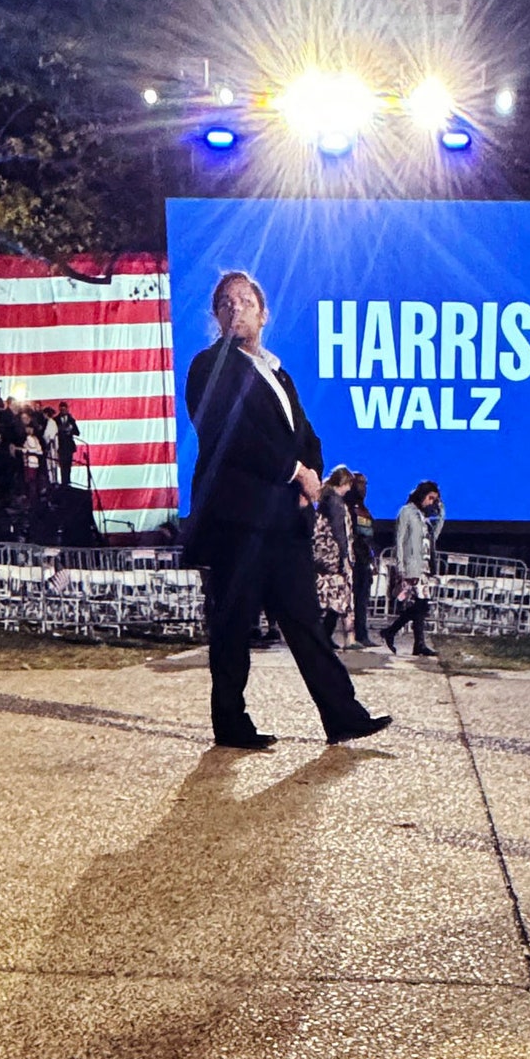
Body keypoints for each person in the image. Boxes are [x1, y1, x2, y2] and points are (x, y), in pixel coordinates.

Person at [183, 270, 390, 751]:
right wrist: (293, 470)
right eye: (225, 304)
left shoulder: (279, 373)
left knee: (304, 621)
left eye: (244, 300)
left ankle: (344, 716)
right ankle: (230, 724)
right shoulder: (208, 366)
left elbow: (308, 438)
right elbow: (228, 435)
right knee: (233, 626)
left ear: (263, 311)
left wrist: (310, 480)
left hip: (283, 521)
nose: (236, 309)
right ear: (217, 316)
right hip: (238, 521)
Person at [382, 481, 443, 656]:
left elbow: (433, 538)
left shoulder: (424, 517)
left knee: (421, 606)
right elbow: (399, 541)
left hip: (424, 566)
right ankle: (411, 640)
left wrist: (441, 513)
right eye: (430, 498)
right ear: (421, 495)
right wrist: (400, 566)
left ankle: (400, 636)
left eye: (435, 499)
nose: (432, 502)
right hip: (411, 566)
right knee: (421, 604)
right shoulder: (406, 512)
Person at [313, 465, 355, 644]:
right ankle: (323, 636)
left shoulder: (325, 499)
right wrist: (345, 557)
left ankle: (324, 636)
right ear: (343, 482)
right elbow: (340, 532)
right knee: (337, 598)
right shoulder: (335, 502)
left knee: (331, 599)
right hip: (333, 559)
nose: (350, 489)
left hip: (325, 558)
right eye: (348, 484)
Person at [347, 471, 376, 647]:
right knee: (350, 600)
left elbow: (369, 535)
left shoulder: (362, 508)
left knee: (361, 600)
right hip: (355, 559)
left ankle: (361, 633)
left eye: (365, 484)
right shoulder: (351, 508)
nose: (364, 488)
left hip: (364, 559)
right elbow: (358, 534)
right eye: (361, 484)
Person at [56, 402, 79, 488]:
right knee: (62, 465)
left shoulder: (71, 420)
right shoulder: (56, 420)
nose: (63, 411)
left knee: (68, 466)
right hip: (61, 446)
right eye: (61, 409)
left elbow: (77, 432)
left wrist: (70, 430)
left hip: (69, 446)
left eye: (64, 409)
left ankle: (68, 482)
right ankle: (63, 483)